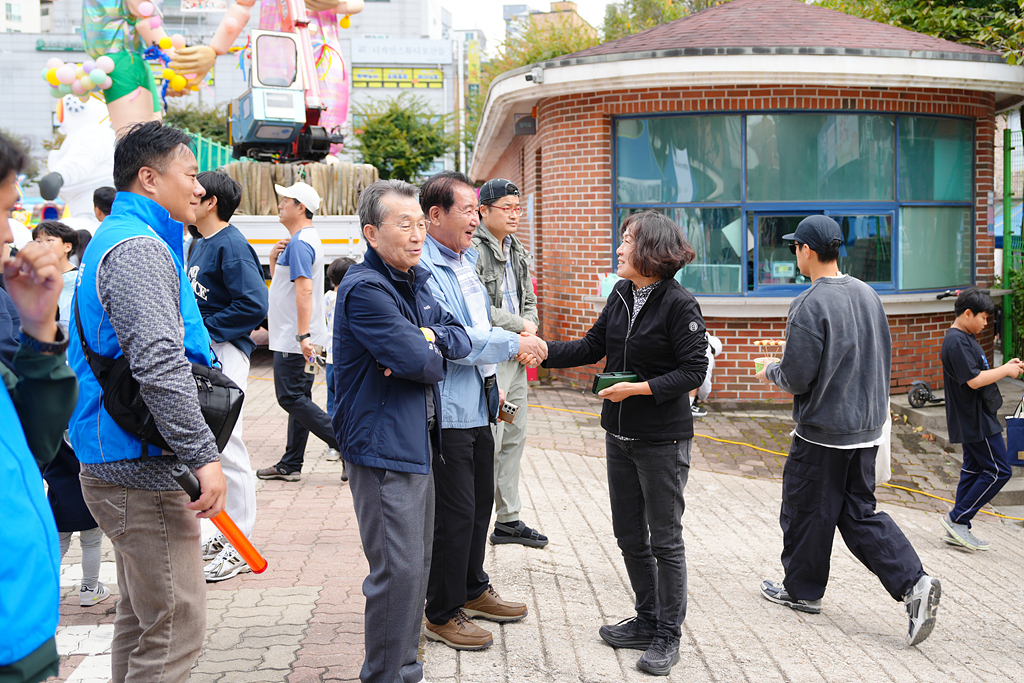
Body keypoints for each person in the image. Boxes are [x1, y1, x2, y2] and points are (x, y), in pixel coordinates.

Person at [67, 121, 227, 683]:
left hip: (123, 455)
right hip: (140, 467)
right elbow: (159, 364)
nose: (199, 189)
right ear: (149, 177)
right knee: (175, 626)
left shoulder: (126, 238)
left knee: (142, 620)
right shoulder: (137, 248)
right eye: (189, 174)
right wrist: (203, 455)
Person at [534, 210, 707, 677]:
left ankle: (668, 634)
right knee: (629, 535)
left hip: (662, 440)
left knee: (665, 540)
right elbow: (593, 346)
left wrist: (636, 389)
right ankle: (647, 619)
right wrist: (544, 351)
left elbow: (694, 372)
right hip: (620, 436)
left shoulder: (679, 304)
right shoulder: (622, 293)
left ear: (650, 249)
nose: (618, 248)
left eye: (626, 240)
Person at [754, 215, 940, 647]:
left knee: (804, 511)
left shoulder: (809, 304)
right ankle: (915, 584)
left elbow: (797, 377)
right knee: (858, 513)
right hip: (867, 429)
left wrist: (770, 370)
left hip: (822, 434)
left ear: (806, 251)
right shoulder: (868, 294)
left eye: (794, 247)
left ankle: (803, 593)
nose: (794, 254)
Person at [334, 179, 470, 683]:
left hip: (414, 441)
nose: (418, 235)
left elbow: (454, 339)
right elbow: (425, 363)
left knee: (416, 567)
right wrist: (423, 349)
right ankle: (388, 676)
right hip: (383, 447)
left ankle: (404, 668)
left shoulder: (414, 280)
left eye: (420, 224)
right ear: (372, 233)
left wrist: (427, 339)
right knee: (398, 574)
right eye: (404, 225)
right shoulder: (367, 289)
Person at [419, 171, 547, 650]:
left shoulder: (465, 260)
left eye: (477, 210)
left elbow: (479, 323)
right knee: (453, 514)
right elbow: (455, 338)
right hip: (448, 408)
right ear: (435, 216)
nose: (476, 218)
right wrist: (518, 340)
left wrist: (496, 383)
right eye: (468, 210)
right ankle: (441, 610)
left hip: (478, 399)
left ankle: (472, 588)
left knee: (477, 508)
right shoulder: (426, 269)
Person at [0, 131, 78, 683]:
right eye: (3, 212)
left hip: (24, 631)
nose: (10, 234)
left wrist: (38, 331)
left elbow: (32, 444)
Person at [187, 170, 270, 581]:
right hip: (207, 353)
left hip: (225, 353)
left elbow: (254, 303)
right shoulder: (199, 243)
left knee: (227, 445)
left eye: (195, 191)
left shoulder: (231, 245)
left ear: (211, 202)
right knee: (211, 446)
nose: (189, 194)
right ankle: (224, 534)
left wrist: (207, 331)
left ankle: (241, 543)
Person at [472, 178, 547, 548]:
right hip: (493, 356)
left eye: (519, 208)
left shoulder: (517, 247)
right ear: (483, 210)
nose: (516, 214)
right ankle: (479, 521)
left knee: (514, 437)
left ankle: (509, 520)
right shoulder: (473, 249)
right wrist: (521, 331)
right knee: (494, 439)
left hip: (518, 356)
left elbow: (529, 298)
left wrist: (528, 337)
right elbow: (478, 308)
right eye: (508, 207)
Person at [258, 181, 341, 481]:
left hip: (297, 339)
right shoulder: (301, 241)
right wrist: (272, 260)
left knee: (290, 398)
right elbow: (285, 287)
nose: (280, 204)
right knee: (300, 398)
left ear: (300, 207)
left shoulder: (301, 243)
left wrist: (302, 336)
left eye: (286, 200)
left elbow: (304, 291)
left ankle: (344, 444)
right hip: (302, 337)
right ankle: (291, 463)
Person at [939, 287, 1021, 550]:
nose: (986, 324)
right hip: (975, 419)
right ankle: (958, 518)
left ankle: (958, 527)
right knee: (999, 470)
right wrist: (1006, 371)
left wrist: (1005, 366)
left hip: (978, 416)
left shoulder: (964, 337)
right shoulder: (956, 341)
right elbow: (974, 381)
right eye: (983, 318)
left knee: (973, 470)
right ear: (967, 313)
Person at [324, 256, 355, 473]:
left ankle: (332, 445)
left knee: (332, 402)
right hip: (346, 359)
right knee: (348, 403)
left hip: (330, 359)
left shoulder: (327, 297)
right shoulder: (351, 296)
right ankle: (348, 447)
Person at [31, 220, 78, 322]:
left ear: (67, 247)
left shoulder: (77, 281)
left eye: (49, 240)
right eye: (38, 241)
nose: (42, 246)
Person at [688, 331, 722, 418]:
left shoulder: (699, 334)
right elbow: (705, 382)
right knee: (695, 374)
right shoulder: (707, 352)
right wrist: (702, 397)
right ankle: (688, 407)